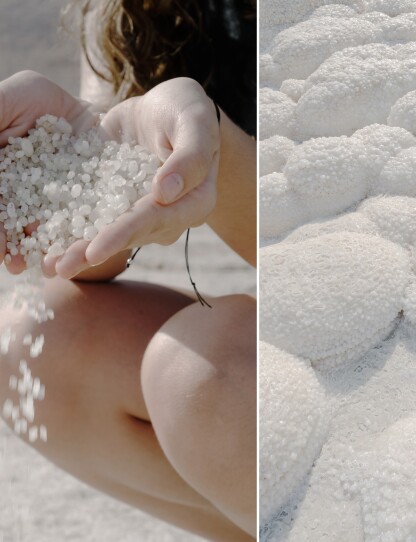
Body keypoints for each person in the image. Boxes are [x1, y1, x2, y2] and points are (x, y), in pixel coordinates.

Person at [0, 1, 257, 540]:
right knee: (34, 340)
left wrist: (216, 151)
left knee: (202, 374)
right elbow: (98, 251)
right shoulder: (121, 14)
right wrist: (61, 179)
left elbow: (355, 258)